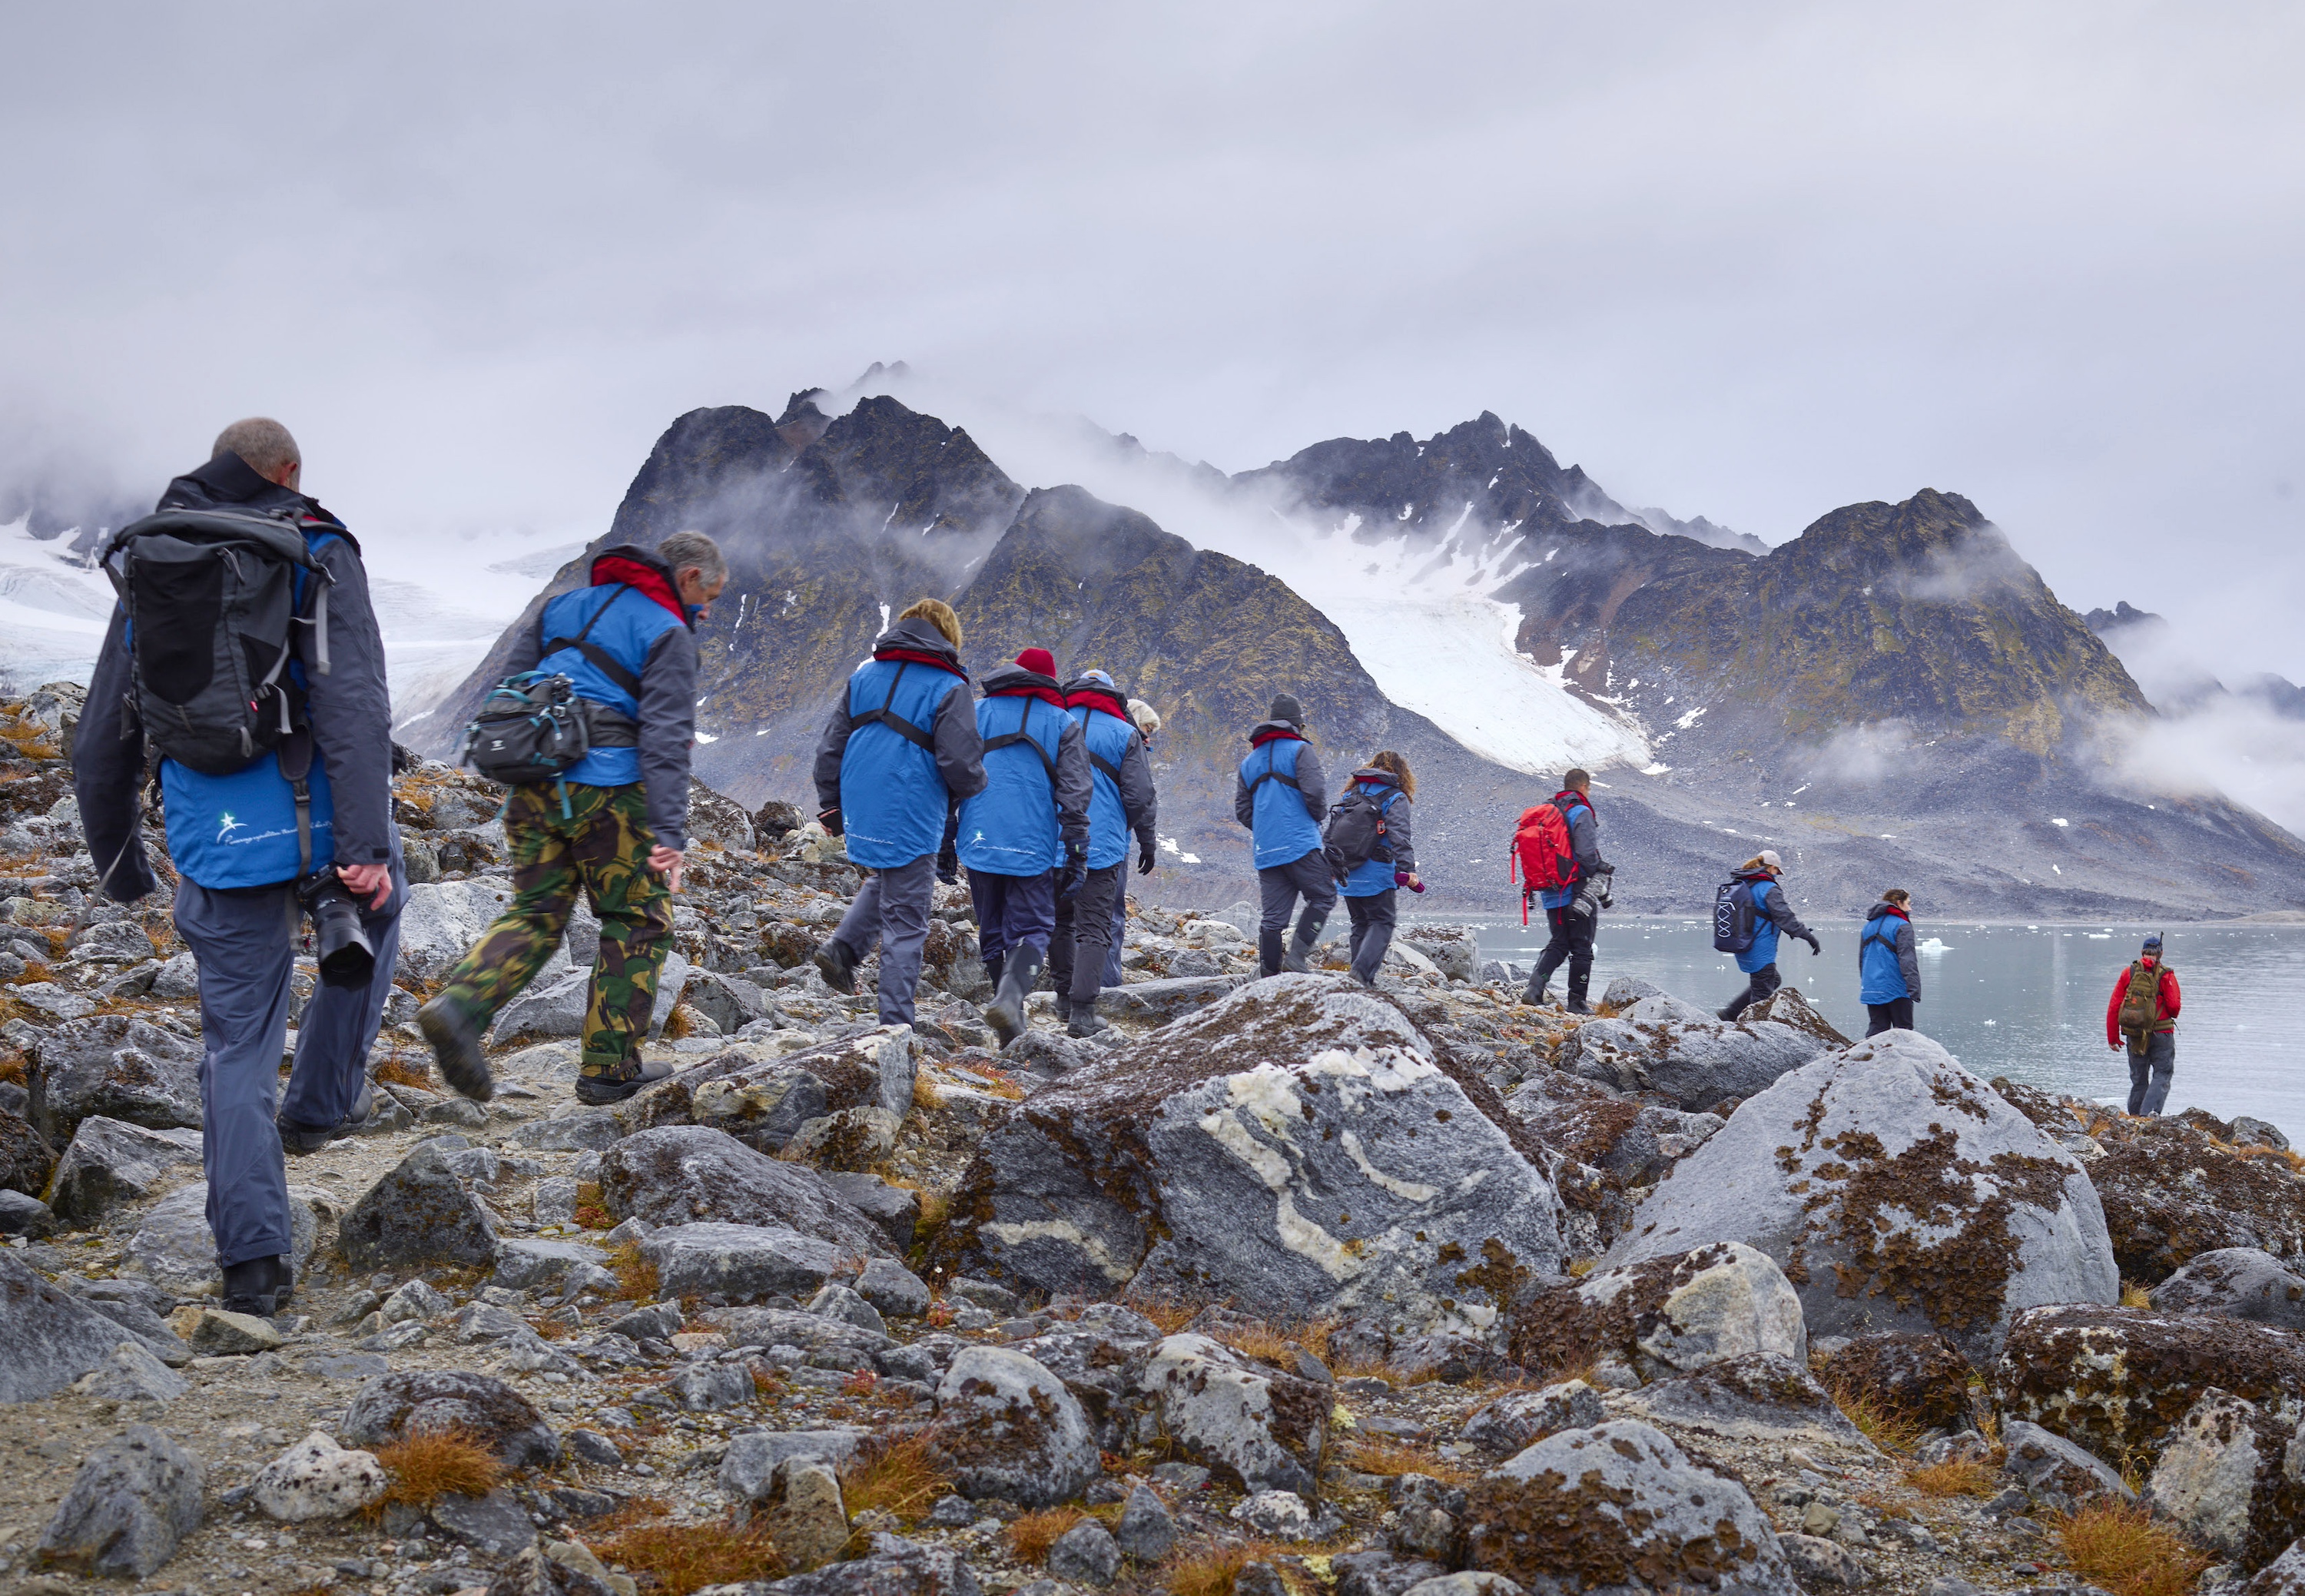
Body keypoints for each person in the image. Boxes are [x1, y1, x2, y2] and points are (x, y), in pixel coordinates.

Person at [77, 418, 402, 1316]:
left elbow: (108, 724)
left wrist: (123, 863)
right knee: (380, 911)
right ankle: (324, 1103)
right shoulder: (314, 544)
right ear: (288, 471)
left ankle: (253, 1264)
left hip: (214, 835)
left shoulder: (157, 553)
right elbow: (354, 701)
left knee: (234, 1047)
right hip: (322, 821)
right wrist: (365, 850)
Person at [420, 531, 725, 1106]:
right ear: (687, 578)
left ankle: (459, 1006)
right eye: (710, 592)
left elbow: (510, 688)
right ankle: (610, 1068)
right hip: (608, 790)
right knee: (636, 920)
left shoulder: (559, 608)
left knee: (537, 912)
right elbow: (666, 737)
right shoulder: (667, 630)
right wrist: (668, 834)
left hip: (534, 785)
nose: (708, 608)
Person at [810, 599, 987, 1027]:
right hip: (910, 805)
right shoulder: (949, 686)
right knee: (907, 920)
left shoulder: (864, 675)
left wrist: (830, 801)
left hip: (861, 803)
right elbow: (960, 765)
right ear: (947, 637)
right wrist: (976, 789)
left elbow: (832, 744)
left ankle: (844, 949)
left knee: (889, 873)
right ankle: (896, 1026)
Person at [957, 648, 1089, 1046]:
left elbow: (950, 772)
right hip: (1033, 845)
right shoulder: (1063, 723)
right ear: (1049, 681)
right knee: (1033, 928)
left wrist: (946, 837)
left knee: (992, 928)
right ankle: (1011, 1001)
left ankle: (1008, 1027)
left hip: (978, 839)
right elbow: (1076, 791)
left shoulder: (976, 713)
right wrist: (1077, 849)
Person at [1050, 670, 1157, 1035]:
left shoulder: (1056, 722)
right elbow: (1141, 795)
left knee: (1061, 921)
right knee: (1095, 928)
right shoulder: (1125, 733)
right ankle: (1082, 1014)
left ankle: (1062, 1000)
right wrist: (1138, 834)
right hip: (1102, 845)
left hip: (1054, 840)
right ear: (1114, 696)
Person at [1234, 693, 1335, 976]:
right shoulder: (1301, 751)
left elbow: (1243, 810)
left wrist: (1267, 827)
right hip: (1300, 843)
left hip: (1267, 850)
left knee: (1273, 919)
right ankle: (1297, 959)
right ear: (1297, 725)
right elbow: (1315, 795)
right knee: (1324, 896)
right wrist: (1315, 817)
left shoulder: (1249, 762)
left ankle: (1268, 975)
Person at [1521, 769, 1607, 1013]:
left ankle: (1534, 990)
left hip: (1550, 892)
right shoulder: (1581, 811)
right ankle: (1577, 1002)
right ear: (1584, 786)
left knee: (1559, 942)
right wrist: (1599, 869)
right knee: (1582, 946)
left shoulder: (1551, 811)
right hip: (1578, 892)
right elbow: (1587, 855)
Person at [1337, 752, 1421, 989]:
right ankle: (1360, 974)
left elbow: (1333, 830)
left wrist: (1331, 865)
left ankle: (1363, 982)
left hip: (1348, 871)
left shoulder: (1350, 794)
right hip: (1377, 871)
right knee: (1382, 921)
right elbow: (1399, 835)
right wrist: (1407, 869)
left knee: (1360, 923)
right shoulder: (1395, 797)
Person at [1099, 696, 1164, 989]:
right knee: (1111, 913)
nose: (1149, 736)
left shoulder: (1082, 729)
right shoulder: (1128, 739)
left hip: (1069, 837)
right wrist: (1147, 844)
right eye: (1147, 727)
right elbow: (1142, 798)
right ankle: (1109, 983)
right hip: (1112, 841)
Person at [1716, 849, 1820, 1020]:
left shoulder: (1743, 884)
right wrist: (1808, 937)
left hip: (1742, 944)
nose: (1777, 875)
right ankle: (1753, 1030)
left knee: (1773, 980)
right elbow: (1785, 916)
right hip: (1759, 948)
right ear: (1771, 868)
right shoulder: (1768, 888)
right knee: (1762, 995)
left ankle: (1731, 1013)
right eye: (1777, 871)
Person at [2106, 933, 2181, 1117]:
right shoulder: (2166, 974)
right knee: (2162, 1074)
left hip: (2135, 1033)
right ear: (2161, 953)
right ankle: (2148, 1116)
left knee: (2139, 1079)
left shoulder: (2128, 973)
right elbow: (2174, 1007)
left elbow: (2115, 1005)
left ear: (2142, 952)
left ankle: (2133, 1118)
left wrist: (2113, 1037)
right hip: (2162, 1034)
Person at [1858, 888, 1922, 1035]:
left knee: (1877, 1031)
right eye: (1908, 904)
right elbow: (1908, 959)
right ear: (1899, 903)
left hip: (1872, 987)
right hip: (1896, 988)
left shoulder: (1868, 926)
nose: (1910, 909)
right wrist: (1914, 988)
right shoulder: (1902, 925)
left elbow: (1862, 959)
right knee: (1903, 1032)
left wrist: (1867, 983)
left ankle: (1871, 1057)